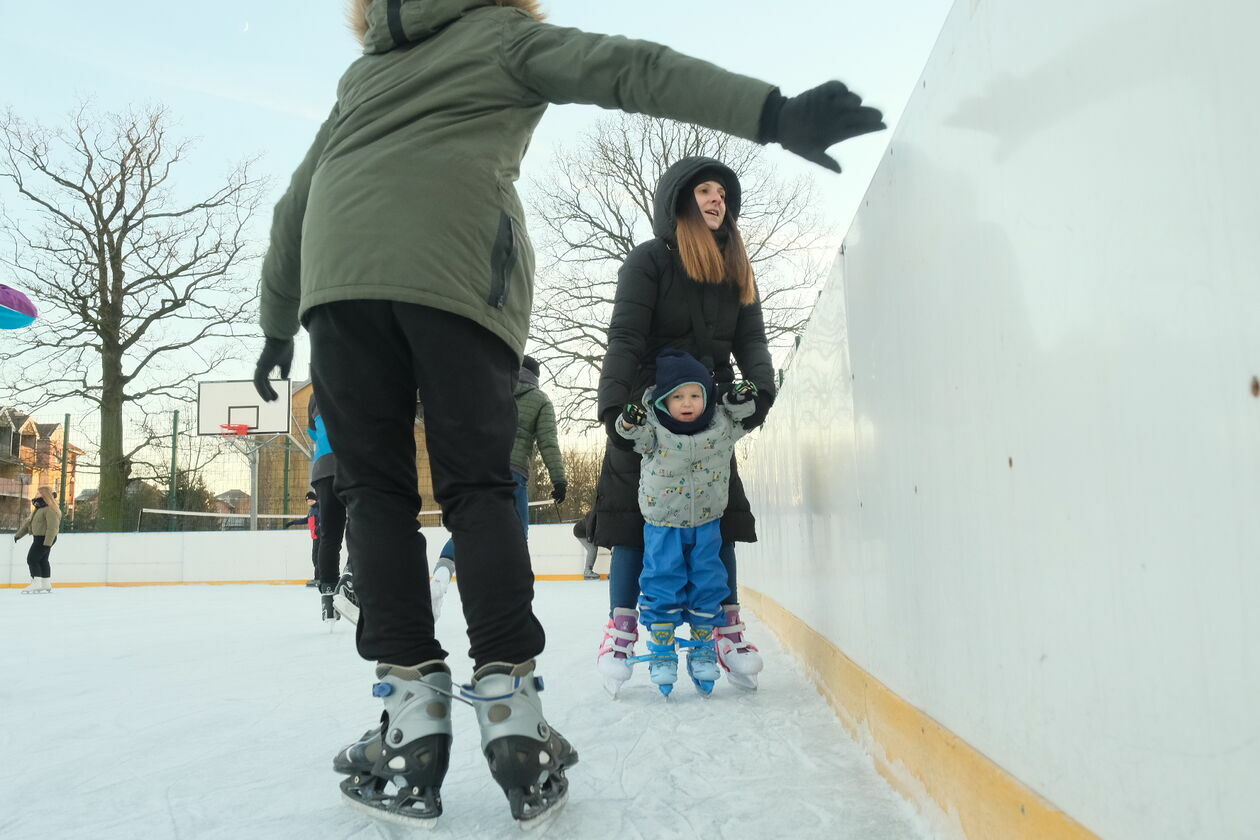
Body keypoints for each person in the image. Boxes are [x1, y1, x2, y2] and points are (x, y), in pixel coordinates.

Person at [252, 0, 883, 827]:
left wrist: (275, 321)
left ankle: (410, 726)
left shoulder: (365, 72)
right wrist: (772, 113)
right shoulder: (503, 33)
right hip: (457, 282)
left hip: (338, 293)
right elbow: (630, 70)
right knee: (478, 490)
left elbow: (295, 203)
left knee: (374, 496)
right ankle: (513, 717)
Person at [594, 156, 779, 694]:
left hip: (709, 408)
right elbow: (625, 336)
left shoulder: (736, 268)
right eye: (704, 191)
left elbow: (752, 340)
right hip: (648, 407)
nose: (716, 199)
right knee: (631, 515)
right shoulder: (649, 261)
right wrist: (613, 408)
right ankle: (623, 628)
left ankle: (723, 627)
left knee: (718, 513)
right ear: (679, 202)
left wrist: (759, 392)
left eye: (722, 192)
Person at [609, 348, 757, 696]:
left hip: (707, 522)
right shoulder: (655, 430)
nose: (687, 402)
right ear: (663, 401)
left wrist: (739, 398)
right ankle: (662, 651)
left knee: (709, 582)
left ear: (707, 397)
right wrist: (629, 420)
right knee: (662, 581)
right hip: (662, 525)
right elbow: (631, 435)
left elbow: (740, 417)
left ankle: (704, 648)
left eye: (695, 395)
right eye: (678, 396)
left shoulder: (720, 428)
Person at [430, 355, 566, 618]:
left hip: (478, 470)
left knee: (466, 530)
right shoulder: (540, 400)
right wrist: (558, 480)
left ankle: (441, 577)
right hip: (512, 476)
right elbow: (548, 443)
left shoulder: (490, 390)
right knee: (518, 536)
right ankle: (513, 600)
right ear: (535, 377)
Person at [307, 392, 353, 623]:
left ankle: (328, 598)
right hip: (352, 462)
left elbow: (313, 433)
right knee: (362, 524)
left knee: (329, 536)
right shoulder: (357, 379)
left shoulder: (314, 396)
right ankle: (351, 578)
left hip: (323, 469)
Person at [14, 486, 59, 594]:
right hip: (39, 538)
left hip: (45, 538)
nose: (36, 494)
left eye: (38, 493)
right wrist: (19, 535)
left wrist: (47, 543)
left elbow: (52, 528)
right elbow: (28, 524)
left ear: (45, 494)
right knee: (42, 560)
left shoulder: (50, 509)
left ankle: (36, 583)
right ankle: (45, 583)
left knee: (32, 559)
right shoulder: (39, 508)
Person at [284, 490, 321, 587]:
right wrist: (293, 522)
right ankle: (318, 577)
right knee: (315, 558)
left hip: (320, 537)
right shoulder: (312, 510)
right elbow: (306, 520)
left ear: (315, 500)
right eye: (308, 501)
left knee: (317, 558)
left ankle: (319, 578)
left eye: (311, 500)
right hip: (315, 537)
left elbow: (322, 520)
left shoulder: (318, 508)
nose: (309, 502)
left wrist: (318, 529)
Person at [573, 510, 600, 580]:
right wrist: (590, 538)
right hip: (580, 531)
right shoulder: (594, 514)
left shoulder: (605, 515)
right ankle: (587, 571)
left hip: (589, 532)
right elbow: (589, 528)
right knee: (592, 549)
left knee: (595, 547)